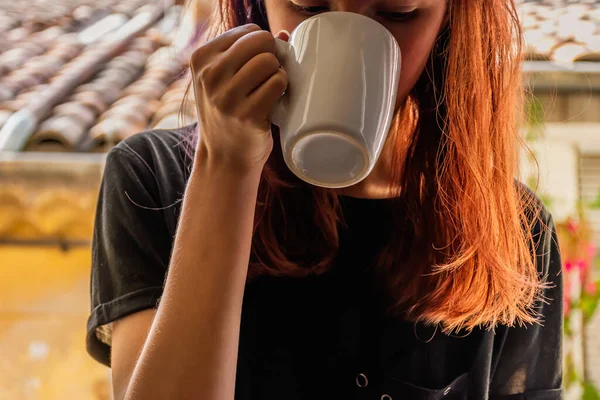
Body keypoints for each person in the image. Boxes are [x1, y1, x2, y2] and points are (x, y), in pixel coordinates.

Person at [86, 1, 564, 399]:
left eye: (398, 10)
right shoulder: (154, 181)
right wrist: (225, 168)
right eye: (308, 5)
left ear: (451, 21)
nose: (350, 32)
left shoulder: (513, 232)